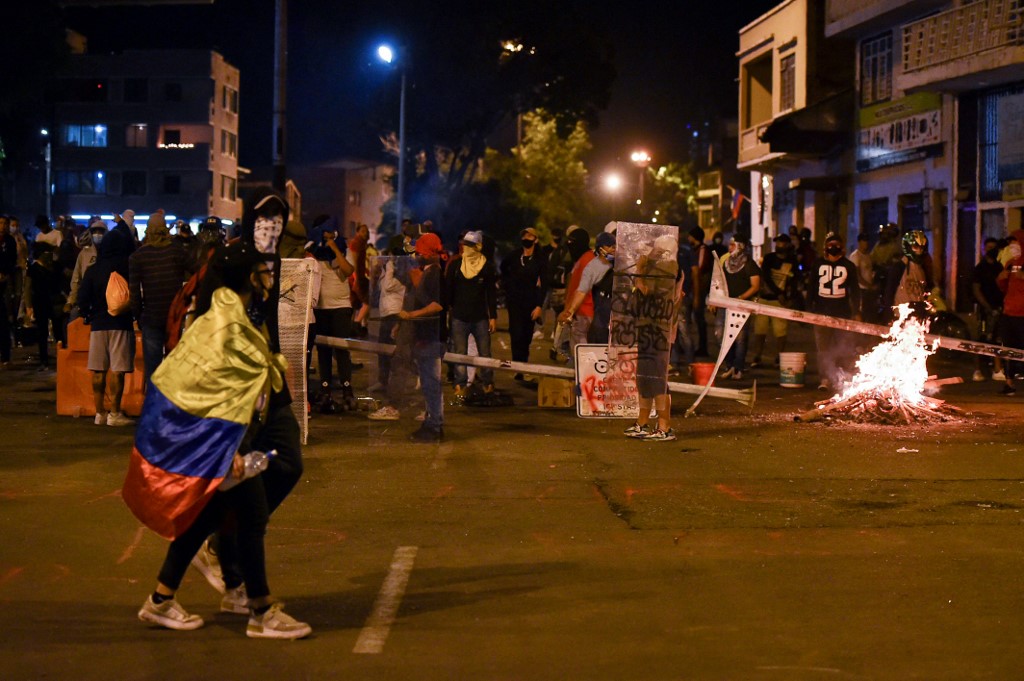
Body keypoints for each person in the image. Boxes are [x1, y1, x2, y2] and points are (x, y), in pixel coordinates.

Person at [128, 240, 310, 639]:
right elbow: (218, 392)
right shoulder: (225, 325)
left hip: (224, 436)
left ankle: (162, 600)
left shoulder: (233, 314)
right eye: (261, 271)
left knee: (211, 515)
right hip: (222, 438)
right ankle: (260, 611)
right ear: (248, 276)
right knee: (250, 516)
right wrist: (231, 450)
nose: (268, 277)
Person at [622, 233, 682, 442]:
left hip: (658, 330)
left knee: (657, 378)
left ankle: (664, 426)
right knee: (645, 377)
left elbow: (646, 290)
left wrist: (640, 269)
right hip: (648, 327)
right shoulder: (662, 268)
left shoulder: (667, 268)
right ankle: (643, 422)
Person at [77, 220, 136, 425]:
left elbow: (82, 299)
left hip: (98, 324)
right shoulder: (127, 267)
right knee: (118, 370)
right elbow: (135, 295)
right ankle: (114, 413)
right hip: (121, 323)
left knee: (98, 370)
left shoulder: (93, 270)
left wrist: (88, 314)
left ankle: (99, 412)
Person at [129, 210, 188, 385]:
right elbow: (196, 271)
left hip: (151, 318)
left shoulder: (138, 257)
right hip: (175, 319)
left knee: (153, 370)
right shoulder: (176, 252)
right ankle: (172, 407)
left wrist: (138, 315)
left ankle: (153, 408)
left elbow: (134, 293)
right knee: (174, 367)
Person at [402, 232, 447, 442]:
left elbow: (437, 305)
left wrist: (412, 315)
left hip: (431, 336)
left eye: (420, 251)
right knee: (430, 383)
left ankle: (434, 427)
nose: (417, 254)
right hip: (426, 335)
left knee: (431, 383)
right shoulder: (429, 272)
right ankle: (432, 422)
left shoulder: (434, 274)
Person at [308, 220, 356, 412]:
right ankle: (325, 388)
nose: (327, 240)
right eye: (325, 237)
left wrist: (335, 249)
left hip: (341, 307)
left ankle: (347, 388)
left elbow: (349, 271)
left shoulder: (344, 250)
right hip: (321, 308)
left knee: (342, 350)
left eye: (331, 237)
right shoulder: (315, 256)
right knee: (324, 351)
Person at [445, 230, 498, 400]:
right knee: (460, 353)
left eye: (470, 245)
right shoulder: (455, 266)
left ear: (478, 247)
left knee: (485, 353)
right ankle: (460, 384)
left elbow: (491, 294)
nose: (466, 248)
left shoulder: (486, 267)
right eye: (464, 244)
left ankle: (488, 383)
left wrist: (493, 317)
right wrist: (449, 312)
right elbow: (449, 292)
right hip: (459, 317)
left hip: (480, 318)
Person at [807, 232, 861, 391]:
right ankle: (824, 378)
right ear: (825, 248)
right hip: (821, 313)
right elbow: (811, 288)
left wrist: (856, 311)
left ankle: (842, 378)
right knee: (823, 349)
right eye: (831, 246)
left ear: (842, 248)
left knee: (844, 348)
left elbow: (855, 291)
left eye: (837, 245)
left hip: (842, 314)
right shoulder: (817, 264)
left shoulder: (849, 266)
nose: (834, 249)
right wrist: (810, 309)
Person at [499, 227, 547, 379]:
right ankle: (518, 366)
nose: (526, 238)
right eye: (524, 236)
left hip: (531, 302)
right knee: (516, 333)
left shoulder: (540, 259)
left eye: (530, 236)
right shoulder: (514, 256)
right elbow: (503, 267)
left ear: (536, 239)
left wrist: (539, 305)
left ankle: (523, 362)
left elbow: (543, 283)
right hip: (514, 301)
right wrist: (507, 283)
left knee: (526, 335)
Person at [712, 235, 760, 380]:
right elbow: (718, 281)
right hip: (725, 304)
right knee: (720, 334)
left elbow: (755, 285)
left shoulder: (749, 264)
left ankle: (738, 367)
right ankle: (729, 365)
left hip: (741, 306)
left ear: (740, 246)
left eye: (733, 245)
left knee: (740, 337)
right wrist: (714, 300)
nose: (729, 247)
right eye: (730, 244)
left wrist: (741, 298)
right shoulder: (725, 261)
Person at [558, 232, 616, 350]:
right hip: (592, 315)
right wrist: (570, 311)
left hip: (611, 317)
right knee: (586, 352)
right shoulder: (592, 266)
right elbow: (581, 291)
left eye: (614, 246)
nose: (612, 250)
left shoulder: (619, 264)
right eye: (609, 246)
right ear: (600, 248)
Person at [749, 233, 798, 368]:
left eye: (782, 243)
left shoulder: (792, 261)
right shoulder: (769, 258)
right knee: (760, 330)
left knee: (781, 332)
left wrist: (790, 297)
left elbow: (794, 281)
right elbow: (766, 277)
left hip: (780, 302)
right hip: (765, 299)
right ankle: (757, 356)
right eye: (777, 242)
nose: (779, 245)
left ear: (787, 245)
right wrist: (779, 293)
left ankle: (779, 357)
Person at [22, 242, 66, 370]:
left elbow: (64, 280)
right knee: (42, 333)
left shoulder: (56, 266)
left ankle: (61, 358)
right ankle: (44, 360)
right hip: (40, 303)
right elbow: (28, 288)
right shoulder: (34, 268)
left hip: (55, 304)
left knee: (58, 332)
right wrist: (29, 307)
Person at [996, 230, 1024, 396]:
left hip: (1023, 315)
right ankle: (1009, 384)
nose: (1013, 246)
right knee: (1008, 350)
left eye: (1016, 242)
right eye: (1011, 243)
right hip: (1009, 314)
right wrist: (1001, 278)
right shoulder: (1009, 264)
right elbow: (1003, 288)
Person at [973, 237, 1005, 382]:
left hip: (999, 308)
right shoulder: (980, 268)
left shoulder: (1000, 267)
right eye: (989, 247)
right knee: (981, 339)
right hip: (985, 310)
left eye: (994, 247)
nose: (991, 250)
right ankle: (978, 370)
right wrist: (987, 307)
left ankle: (997, 369)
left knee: (998, 339)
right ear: (983, 249)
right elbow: (976, 289)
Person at [882, 230, 933, 319]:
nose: (919, 251)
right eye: (915, 247)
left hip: (918, 317)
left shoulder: (923, 268)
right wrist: (888, 315)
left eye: (921, 248)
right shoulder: (899, 267)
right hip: (901, 316)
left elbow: (927, 289)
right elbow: (889, 292)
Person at [66, 218, 107, 322]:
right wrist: (71, 300)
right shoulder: (84, 254)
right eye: (95, 232)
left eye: (100, 232)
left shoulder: (110, 253)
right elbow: (76, 279)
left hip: (105, 300)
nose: (97, 234)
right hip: (87, 299)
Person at [687, 226, 713, 357]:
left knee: (699, 319)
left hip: (699, 289)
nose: (688, 238)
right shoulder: (694, 250)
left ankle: (702, 347)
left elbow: (700, 267)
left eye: (690, 236)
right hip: (693, 288)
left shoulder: (702, 249)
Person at [848, 232, 878, 323]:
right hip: (860, 290)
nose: (866, 243)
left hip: (868, 290)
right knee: (860, 313)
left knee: (869, 312)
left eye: (867, 241)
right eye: (864, 241)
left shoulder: (868, 256)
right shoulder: (855, 256)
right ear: (859, 242)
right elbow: (857, 276)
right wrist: (869, 286)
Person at [0, 215, 17, 367]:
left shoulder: (10, 241)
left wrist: (5, 274)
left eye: (5, 223)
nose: (4, 226)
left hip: (5, 282)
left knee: (4, 320)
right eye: (1, 223)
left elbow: (13, 260)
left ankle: (5, 355)